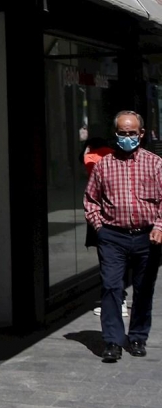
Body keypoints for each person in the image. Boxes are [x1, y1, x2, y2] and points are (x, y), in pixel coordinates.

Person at [84, 110, 162, 362]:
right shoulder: (104, 165)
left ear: (140, 133)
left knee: (143, 289)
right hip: (113, 237)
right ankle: (113, 341)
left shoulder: (155, 164)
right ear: (115, 134)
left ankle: (138, 336)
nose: (127, 137)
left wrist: (159, 226)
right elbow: (91, 200)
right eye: (122, 133)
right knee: (111, 287)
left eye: (131, 133)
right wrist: (100, 229)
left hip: (147, 237)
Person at [80, 137, 129, 318]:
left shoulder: (92, 157)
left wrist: (86, 152)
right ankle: (120, 299)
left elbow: (88, 170)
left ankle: (118, 301)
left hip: (102, 215)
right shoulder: (115, 156)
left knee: (108, 260)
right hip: (119, 214)